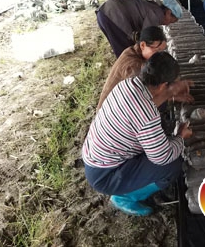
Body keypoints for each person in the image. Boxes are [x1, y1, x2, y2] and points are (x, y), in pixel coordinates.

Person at [82, 52, 193, 216]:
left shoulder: (128, 84)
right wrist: (181, 137)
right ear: (163, 85)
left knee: (162, 136)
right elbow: (162, 157)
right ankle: (124, 197)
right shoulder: (146, 115)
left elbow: (145, 106)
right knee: (172, 164)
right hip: (105, 176)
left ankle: (131, 183)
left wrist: (170, 94)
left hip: (95, 157)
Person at [97, 26, 167, 110]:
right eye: (157, 51)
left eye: (162, 51)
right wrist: (168, 93)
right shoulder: (134, 66)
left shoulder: (133, 50)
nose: (160, 55)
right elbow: (142, 99)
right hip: (110, 112)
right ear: (143, 45)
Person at [96, 0, 183, 57]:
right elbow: (145, 38)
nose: (168, 24)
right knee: (127, 53)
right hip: (113, 15)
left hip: (105, 12)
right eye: (171, 21)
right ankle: (128, 75)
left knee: (124, 48)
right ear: (168, 12)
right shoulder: (157, 15)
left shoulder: (155, 8)